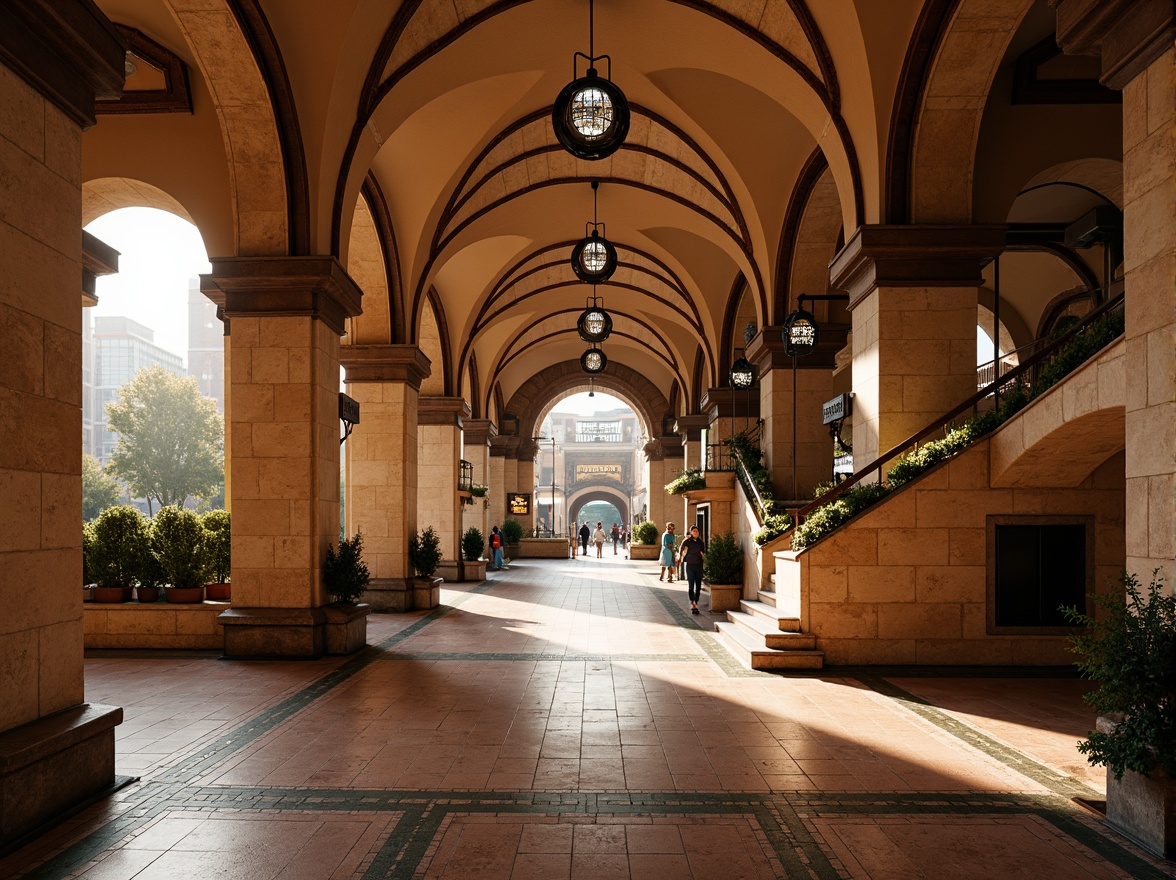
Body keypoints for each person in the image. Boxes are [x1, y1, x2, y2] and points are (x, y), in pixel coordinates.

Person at [678, 525, 706, 615]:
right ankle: (692, 602)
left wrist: (704, 557)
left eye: (697, 531)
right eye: (694, 531)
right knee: (691, 585)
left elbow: (704, 553)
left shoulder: (700, 542)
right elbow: (681, 552)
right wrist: (681, 556)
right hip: (690, 565)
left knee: (698, 586)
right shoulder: (687, 541)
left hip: (699, 566)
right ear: (691, 532)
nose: (695, 533)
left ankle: (696, 602)